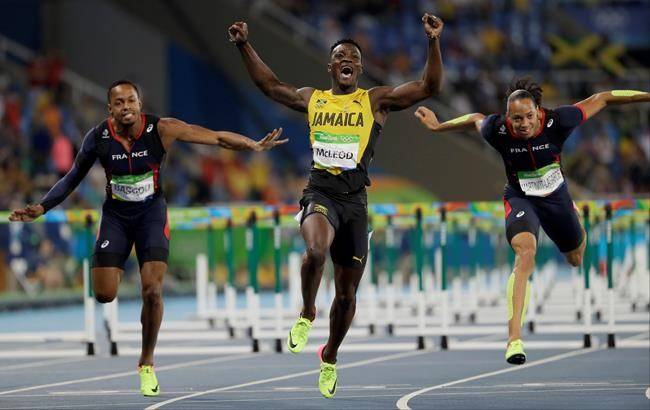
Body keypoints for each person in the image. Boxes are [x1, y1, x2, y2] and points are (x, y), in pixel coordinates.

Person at [9, 80, 287, 396]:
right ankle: (108, 264)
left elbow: (214, 137)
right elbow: (72, 177)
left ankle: (146, 362)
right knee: (104, 294)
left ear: (140, 104)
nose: (126, 106)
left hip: (151, 215)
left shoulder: (162, 129)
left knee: (152, 290)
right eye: (119, 102)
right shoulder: (97, 138)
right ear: (109, 108)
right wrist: (42, 207)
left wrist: (251, 144)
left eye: (131, 101)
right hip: (116, 216)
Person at [228, 14, 444, 398]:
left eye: (354, 56)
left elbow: (429, 86)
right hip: (320, 194)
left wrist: (432, 42)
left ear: (359, 68)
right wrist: (245, 44)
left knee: (346, 296)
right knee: (315, 250)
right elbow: (270, 86)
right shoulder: (314, 98)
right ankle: (308, 311)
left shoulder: (375, 100)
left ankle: (329, 356)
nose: (347, 59)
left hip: (356, 204)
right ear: (331, 66)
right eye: (340, 55)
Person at [414, 77, 650, 365]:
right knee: (525, 254)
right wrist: (439, 126)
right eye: (516, 119)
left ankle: (572, 217)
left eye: (528, 116)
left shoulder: (559, 120)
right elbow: (475, 119)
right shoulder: (496, 129)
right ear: (507, 118)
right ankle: (514, 339)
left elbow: (604, 97)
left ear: (539, 111)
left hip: (557, 198)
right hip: (520, 197)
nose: (523, 124)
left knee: (576, 258)